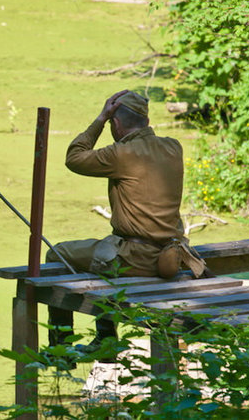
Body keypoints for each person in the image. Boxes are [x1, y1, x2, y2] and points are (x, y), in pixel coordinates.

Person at [46, 89, 208, 355]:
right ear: (146, 121)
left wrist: (99, 119)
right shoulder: (173, 147)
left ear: (116, 123)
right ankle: (104, 338)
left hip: (135, 258)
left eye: (111, 123)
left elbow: (74, 158)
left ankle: (61, 349)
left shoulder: (121, 154)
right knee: (108, 246)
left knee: (58, 254)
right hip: (169, 254)